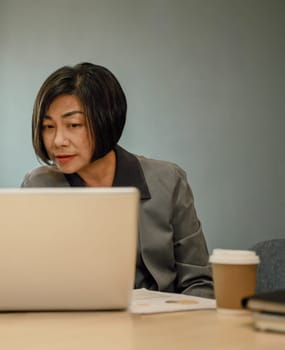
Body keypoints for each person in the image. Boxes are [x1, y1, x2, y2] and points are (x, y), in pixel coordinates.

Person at [21, 62, 214, 298]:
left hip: (161, 327)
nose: (58, 140)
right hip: (75, 327)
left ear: (106, 120)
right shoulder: (38, 186)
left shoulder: (168, 181)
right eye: (48, 127)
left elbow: (199, 283)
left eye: (73, 125)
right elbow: (28, 280)